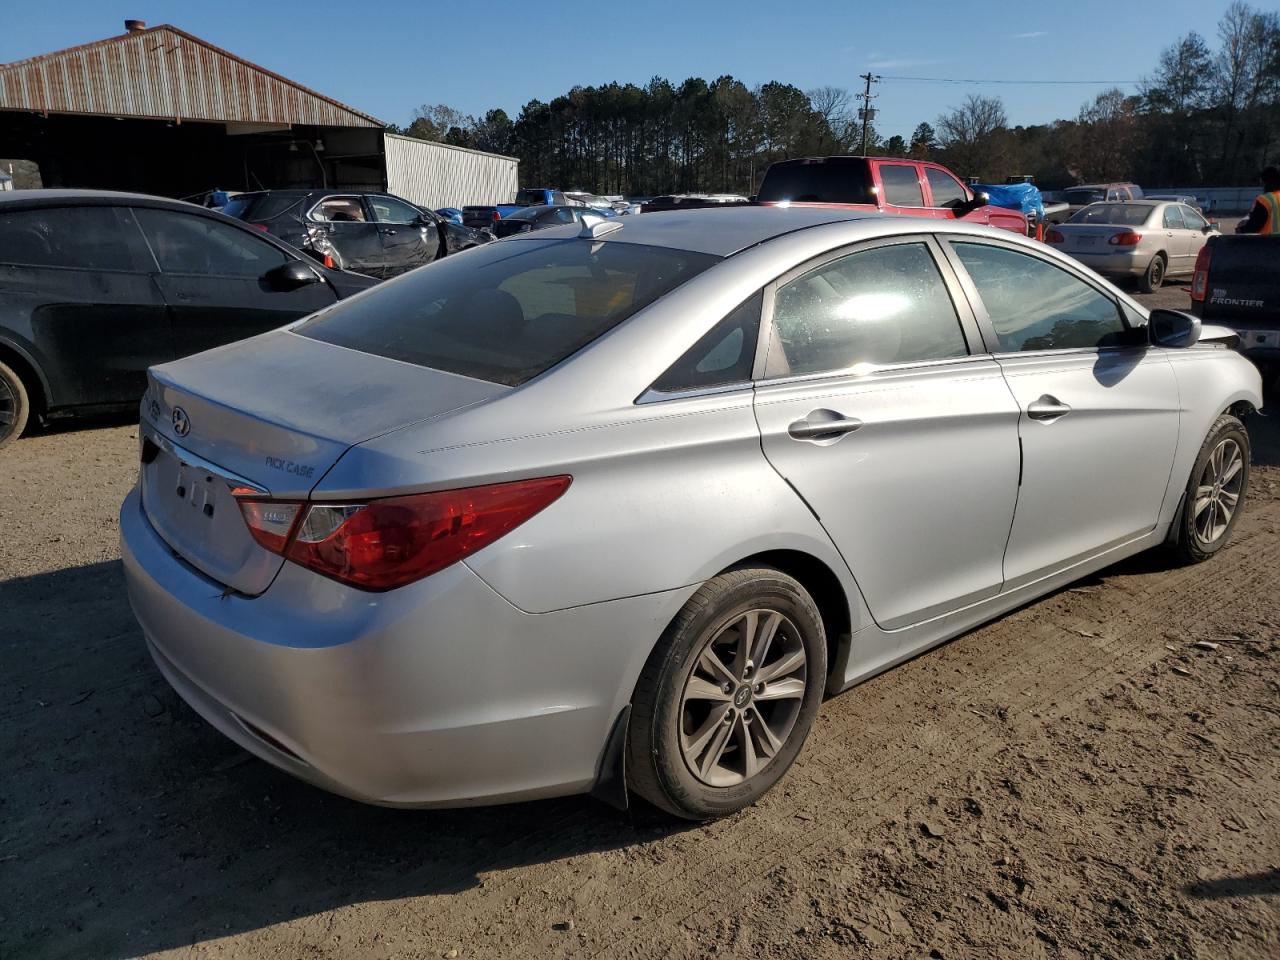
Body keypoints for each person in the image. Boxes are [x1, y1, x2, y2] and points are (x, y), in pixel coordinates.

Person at [1238, 166, 1280, 234]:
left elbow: (1255, 225)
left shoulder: (1265, 200)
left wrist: (1241, 229)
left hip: (1269, 242)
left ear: (1265, 182)